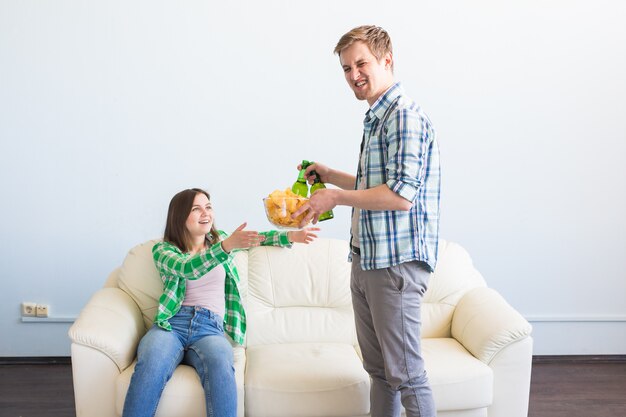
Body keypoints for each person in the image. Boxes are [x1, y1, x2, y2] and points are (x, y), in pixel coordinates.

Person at [293, 25, 440, 417]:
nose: (353, 74)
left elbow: (401, 196)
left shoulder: (403, 116)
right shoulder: (378, 116)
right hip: (367, 260)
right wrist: (331, 176)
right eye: (346, 68)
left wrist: (336, 197)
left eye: (361, 63)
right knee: (379, 371)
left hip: (395, 263)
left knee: (406, 375)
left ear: (386, 59)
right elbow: (376, 185)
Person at [123, 188, 319, 417]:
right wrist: (226, 246)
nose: (205, 213)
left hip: (209, 328)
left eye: (208, 206)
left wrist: (290, 237)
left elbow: (259, 238)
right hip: (171, 326)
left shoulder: (221, 240)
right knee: (151, 364)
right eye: (196, 209)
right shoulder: (164, 250)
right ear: (179, 216)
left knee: (221, 365)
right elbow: (188, 269)